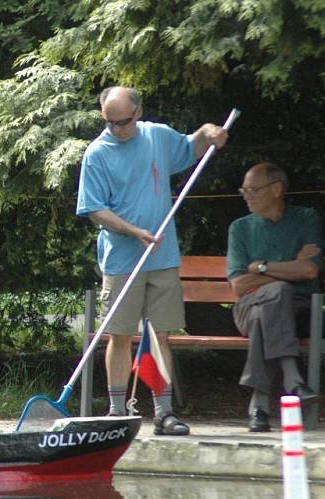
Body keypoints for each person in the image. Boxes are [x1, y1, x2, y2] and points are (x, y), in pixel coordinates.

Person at [76, 86, 228, 435]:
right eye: (111, 122)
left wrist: (209, 132)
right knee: (120, 334)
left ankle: (164, 413)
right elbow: (94, 209)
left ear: (138, 111)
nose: (119, 129)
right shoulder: (96, 154)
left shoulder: (157, 136)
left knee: (161, 334)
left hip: (163, 258)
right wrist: (134, 231)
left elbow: (194, 145)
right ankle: (116, 415)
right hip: (122, 261)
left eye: (125, 121)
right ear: (103, 117)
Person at [226, 162, 323, 432]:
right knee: (276, 294)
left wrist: (261, 266)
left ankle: (259, 405)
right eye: (243, 190)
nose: (247, 195)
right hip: (247, 306)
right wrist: (289, 269)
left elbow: (310, 269)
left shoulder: (305, 219)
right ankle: (293, 381)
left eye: (253, 189)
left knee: (267, 310)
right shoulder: (240, 228)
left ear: (277, 189)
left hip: (299, 309)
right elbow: (238, 286)